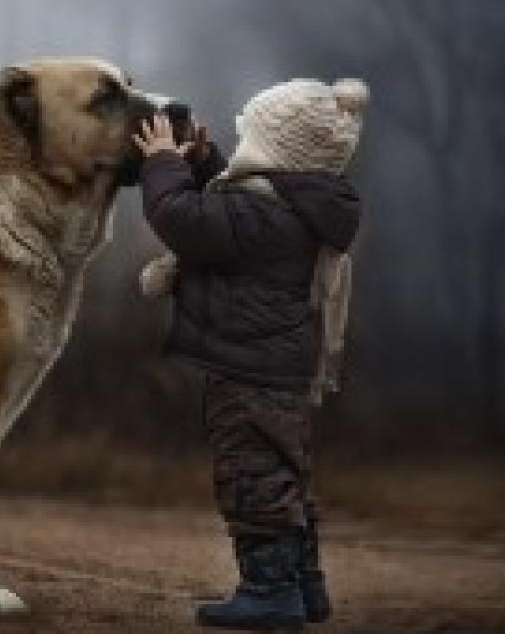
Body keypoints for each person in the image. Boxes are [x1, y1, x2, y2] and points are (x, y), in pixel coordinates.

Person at [132, 78, 367, 629]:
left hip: (246, 369)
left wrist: (163, 163)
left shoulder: (263, 215)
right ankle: (302, 585)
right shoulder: (296, 203)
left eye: (249, 138)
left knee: (253, 476)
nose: (241, 148)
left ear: (275, 150)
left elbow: (183, 219)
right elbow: (234, 206)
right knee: (284, 475)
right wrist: (204, 160)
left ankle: (269, 592)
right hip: (275, 366)